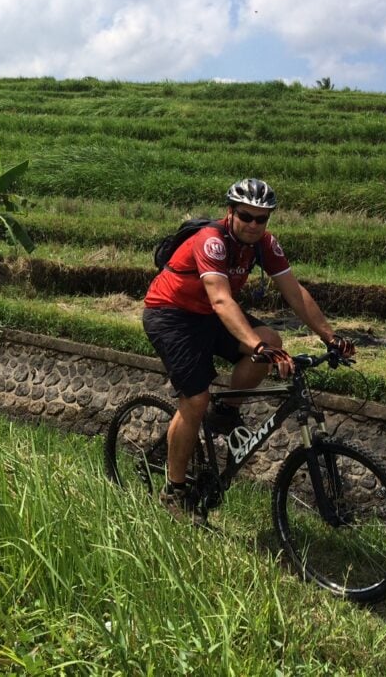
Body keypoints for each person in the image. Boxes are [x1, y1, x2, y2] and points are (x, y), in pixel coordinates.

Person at [143, 178, 355, 524]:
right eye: (247, 216)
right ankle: (174, 490)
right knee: (195, 400)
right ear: (230, 212)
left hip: (211, 316)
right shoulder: (211, 241)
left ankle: (224, 414)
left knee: (272, 338)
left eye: (262, 218)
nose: (254, 225)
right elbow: (222, 298)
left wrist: (331, 339)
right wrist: (256, 346)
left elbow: (294, 292)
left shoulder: (264, 245)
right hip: (172, 315)